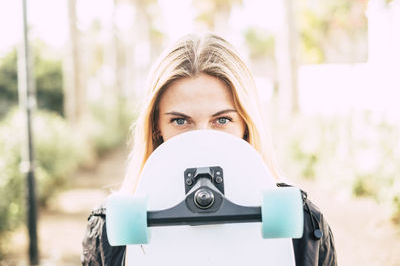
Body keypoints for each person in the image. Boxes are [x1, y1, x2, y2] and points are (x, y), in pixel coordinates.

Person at [81, 33, 337, 266]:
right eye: (180, 121)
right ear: (156, 128)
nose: (202, 140)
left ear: (246, 125)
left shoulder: (302, 224)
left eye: (222, 120)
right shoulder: (109, 229)